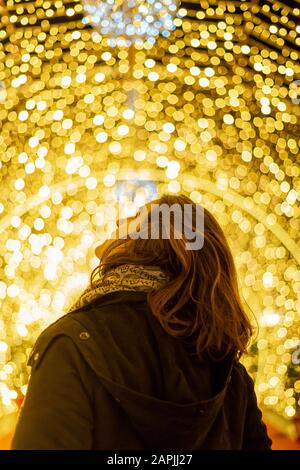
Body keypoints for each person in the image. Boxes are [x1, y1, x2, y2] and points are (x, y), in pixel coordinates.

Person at [11, 194, 272, 449]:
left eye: (135, 218)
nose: (118, 222)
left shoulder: (73, 343)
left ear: (157, 238)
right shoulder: (228, 374)